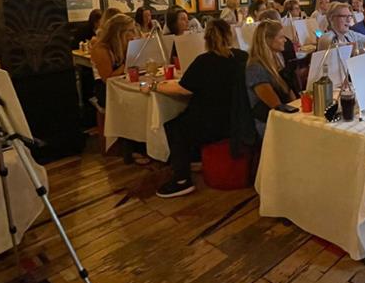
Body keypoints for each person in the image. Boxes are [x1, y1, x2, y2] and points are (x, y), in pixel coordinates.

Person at [150, 19, 249, 197]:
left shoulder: (204, 61)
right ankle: (195, 159)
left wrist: (155, 87)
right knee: (189, 119)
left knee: (175, 126)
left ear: (206, 39)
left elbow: (183, 89)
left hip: (214, 124)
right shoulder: (243, 57)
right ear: (231, 35)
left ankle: (182, 180)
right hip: (238, 119)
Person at [91, 14, 150, 165]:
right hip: (105, 88)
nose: (133, 34)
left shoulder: (123, 45)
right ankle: (132, 147)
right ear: (119, 33)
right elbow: (107, 78)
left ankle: (142, 143)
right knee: (131, 102)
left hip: (122, 83)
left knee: (143, 98)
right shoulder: (101, 48)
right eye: (130, 31)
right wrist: (130, 62)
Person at [246, 20, 298, 136]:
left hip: (281, 117)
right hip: (268, 124)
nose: (285, 40)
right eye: (281, 37)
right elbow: (276, 105)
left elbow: (290, 97)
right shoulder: (256, 69)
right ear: (268, 41)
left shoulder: (276, 62)